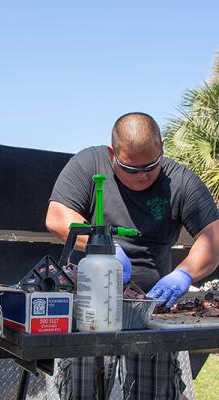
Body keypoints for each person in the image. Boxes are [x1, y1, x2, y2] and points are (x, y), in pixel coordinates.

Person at [46, 112, 219, 399]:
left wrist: (184, 273)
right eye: (130, 168)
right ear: (113, 154)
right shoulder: (90, 163)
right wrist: (103, 247)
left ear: (161, 147)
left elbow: (214, 235)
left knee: (154, 393)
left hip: (153, 310)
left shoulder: (180, 180)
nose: (142, 176)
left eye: (150, 166)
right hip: (93, 305)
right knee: (84, 390)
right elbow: (57, 217)